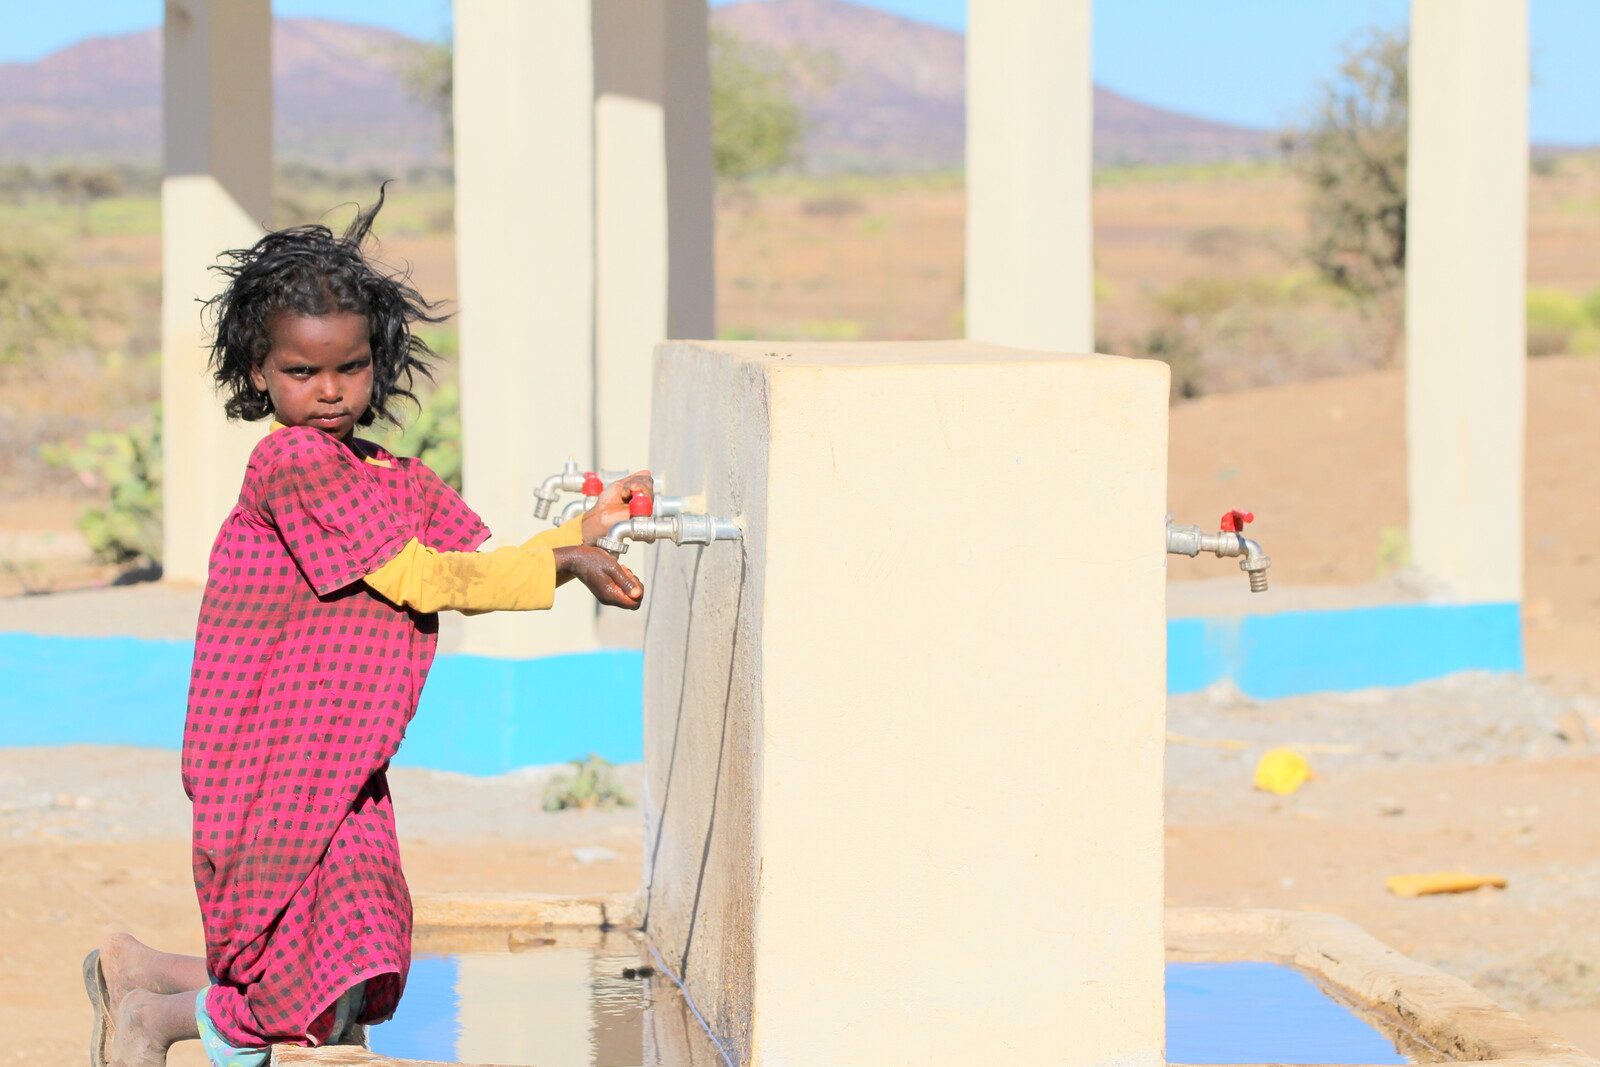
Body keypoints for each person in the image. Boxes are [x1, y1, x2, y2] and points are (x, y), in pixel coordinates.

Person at [81, 189, 649, 1067]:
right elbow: (424, 575)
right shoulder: (296, 463)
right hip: (271, 755)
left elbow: (471, 564)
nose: (328, 391)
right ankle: (154, 1021)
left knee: (344, 941)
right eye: (301, 373)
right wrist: (562, 565)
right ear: (258, 371)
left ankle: (140, 971)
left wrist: (578, 537)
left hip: (335, 759)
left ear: (374, 362)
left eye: (346, 368)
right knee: (305, 978)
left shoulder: (383, 472)